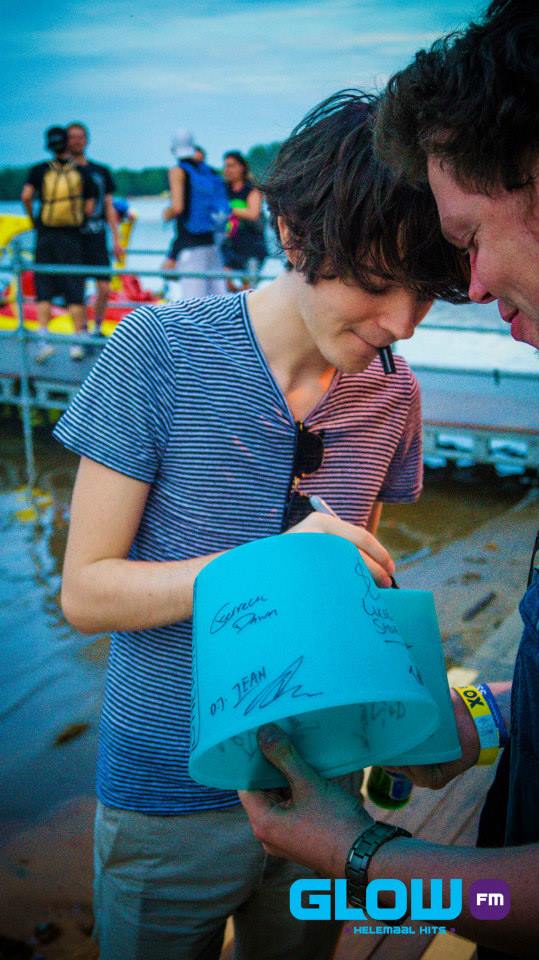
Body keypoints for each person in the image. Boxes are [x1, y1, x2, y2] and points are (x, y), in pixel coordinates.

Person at [53, 91, 467, 960]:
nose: (400, 324)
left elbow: (355, 590)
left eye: (424, 293)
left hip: (327, 797)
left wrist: (408, 720)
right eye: (376, 282)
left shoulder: (392, 392)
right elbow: (86, 593)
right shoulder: (156, 351)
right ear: (293, 232)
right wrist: (268, 564)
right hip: (166, 795)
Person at [240, 3, 539, 956]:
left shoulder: (389, 392)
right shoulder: (157, 352)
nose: (471, 290)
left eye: (467, 239)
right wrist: (479, 715)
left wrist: (363, 856)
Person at [21, 126, 96, 362]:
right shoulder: (81, 172)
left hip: (45, 236)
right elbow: (90, 207)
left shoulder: (39, 170)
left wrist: (35, 221)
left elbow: (26, 196)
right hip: (72, 237)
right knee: (74, 289)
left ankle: (43, 340)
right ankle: (77, 342)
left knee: (43, 289)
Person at [67, 122, 123, 352]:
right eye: (72, 137)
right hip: (73, 238)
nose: (77, 141)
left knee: (104, 286)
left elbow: (109, 206)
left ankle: (97, 327)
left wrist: (117, 239)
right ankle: (80, 332)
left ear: (87, 140)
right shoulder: (62, 171)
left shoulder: (100, 171)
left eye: (80, 137)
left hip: (97, 235)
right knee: (76, 288)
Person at [161, 129, 229, 298]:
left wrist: (166, 214)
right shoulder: (209, 172)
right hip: (212, 244)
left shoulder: (177, 171)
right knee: (218, 301)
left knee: (192, 302)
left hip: (190, 247)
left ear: (173, 148)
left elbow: (178, 207)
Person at [221, 150, 267, 291]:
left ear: (242, 167)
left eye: (232, 166)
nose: (227, 170)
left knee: (248, 289)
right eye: (226, 166)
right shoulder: (223, 190)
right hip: (229, 245)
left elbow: (253, 214)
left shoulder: (252, 189)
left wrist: (228, 209)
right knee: (225, 284)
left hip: (252, 246)